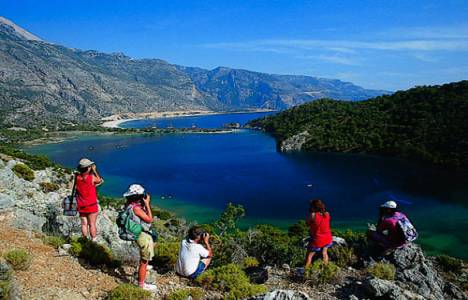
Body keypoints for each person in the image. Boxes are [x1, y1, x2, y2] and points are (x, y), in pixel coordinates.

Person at [122, 184, 157, 291]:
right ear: (139, 196)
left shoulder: (128, 204)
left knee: (144, 256)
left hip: (137, 234)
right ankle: (141, 285)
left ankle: (143, 268)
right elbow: (150, 219)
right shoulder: (136, 208)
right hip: (142, 237)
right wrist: (147, 204)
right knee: (144, 261)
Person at [75, 158, 103, 241]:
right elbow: (99, 180)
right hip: (91, 205)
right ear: (88, 168)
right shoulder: (91, 177)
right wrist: (94, 170)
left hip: (81, 205)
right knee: (92, 224)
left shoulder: (77, 177)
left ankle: (84, 239)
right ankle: (93, 240)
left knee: (84, 224)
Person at [305, 199, 333, 267]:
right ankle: (326, 269)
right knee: (324, 253)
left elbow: (307, 223)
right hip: (328, 238)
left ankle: (306, 272)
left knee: (309, 255)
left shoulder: (313, 215)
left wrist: (311, 213)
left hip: (317, 240)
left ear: (314, 207)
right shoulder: (327, 214)